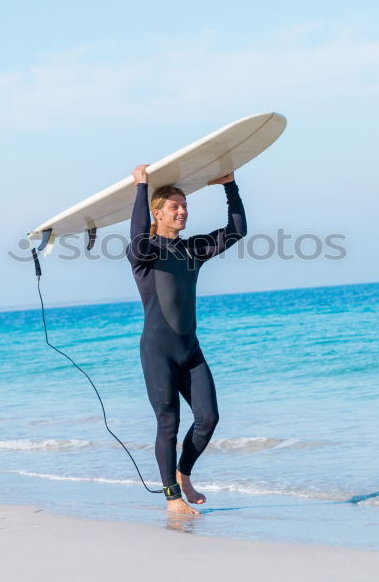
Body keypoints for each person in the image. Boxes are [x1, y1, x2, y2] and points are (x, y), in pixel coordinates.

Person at [126, 164, 246, 515]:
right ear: (157, 214)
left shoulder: (193, 249)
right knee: (169, 423)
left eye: (185, 206)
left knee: (208, 418)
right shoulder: (144, 254)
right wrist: (141, 187)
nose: (183, 211)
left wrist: (230, 186)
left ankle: (184, 474)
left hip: (190, 350)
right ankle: (172, 497)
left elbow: (237, 230)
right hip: (158, 352)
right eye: (175, 207)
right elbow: (135, 236)